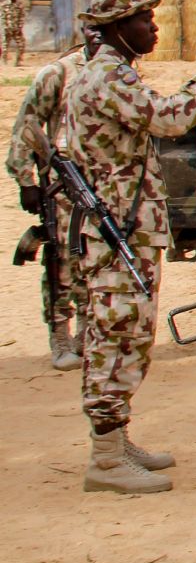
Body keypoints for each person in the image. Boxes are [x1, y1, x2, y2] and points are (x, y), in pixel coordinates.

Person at [63, 0, 196, 494]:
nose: (154, 29)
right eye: (144, 20)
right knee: (116, 335)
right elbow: (170, 118)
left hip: (127, 227)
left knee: (126, 334)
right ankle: (106, 459)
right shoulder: (105, 77)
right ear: (119, 28)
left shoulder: (113, 73)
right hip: (117, 231)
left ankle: (116, 439)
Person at [6, 29, 101, 371]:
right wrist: (25, 181)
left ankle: (87, 335)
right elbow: (26, 124)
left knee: (97, 261)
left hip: (103, 187)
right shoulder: (58, 73)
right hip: (62, 188)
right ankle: (60, 335)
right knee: (62, 262)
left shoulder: (119, 71)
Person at [3, 0, 25, 66]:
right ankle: (4, 62)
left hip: (16, 30)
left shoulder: (19, 5)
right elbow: (2, 17)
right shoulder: (4, 5)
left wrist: (20, 27)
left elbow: (22, 16)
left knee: (21, 45)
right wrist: (4, 28)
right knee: (5, 47)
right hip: (7, 29)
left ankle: (18, 62)